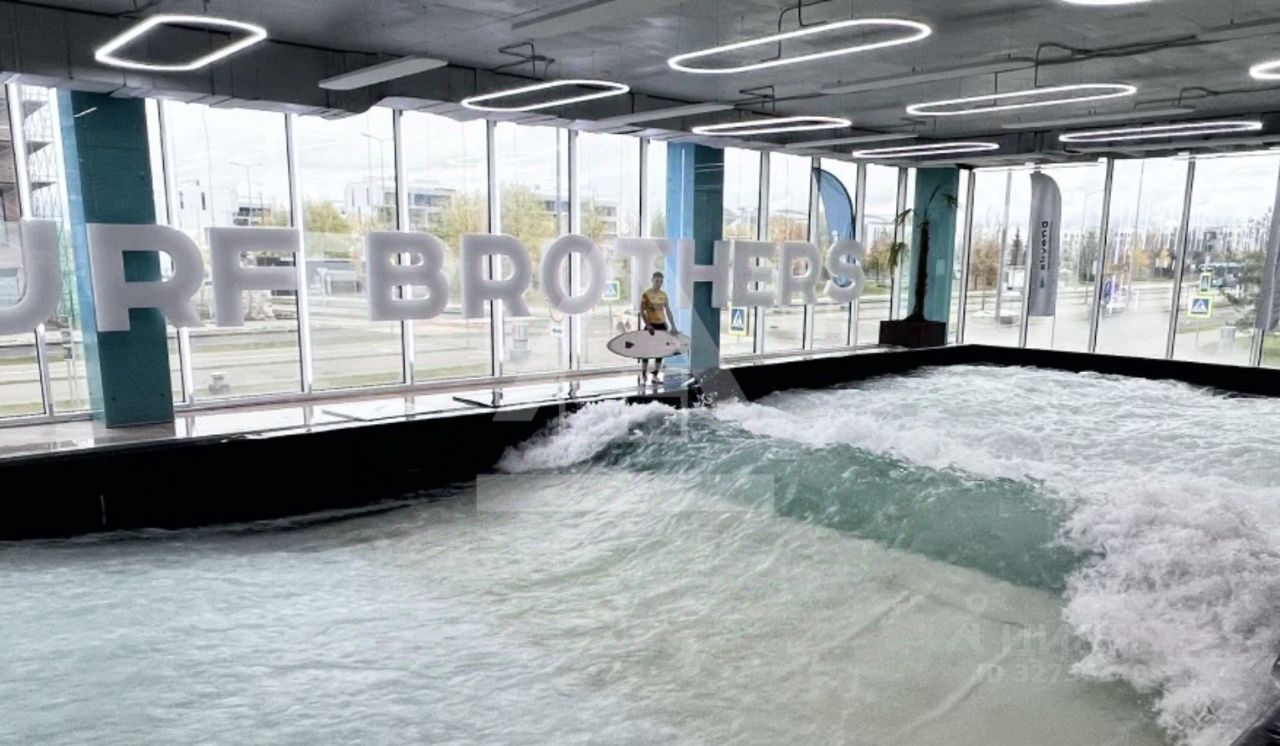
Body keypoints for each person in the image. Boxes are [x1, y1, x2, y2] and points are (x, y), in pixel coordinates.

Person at [638, 271, 678, 384]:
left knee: (660, 351)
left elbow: (668, 310)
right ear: (652, 280)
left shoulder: (663, 295)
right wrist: (648, 324)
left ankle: (655, 376)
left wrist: (673, 326)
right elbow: (642, 311)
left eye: (661, 281)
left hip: (662, 325)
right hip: (651, 325)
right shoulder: (646, 294)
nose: (659, 283)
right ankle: (644, 375)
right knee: (646, 351)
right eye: (657, 281)